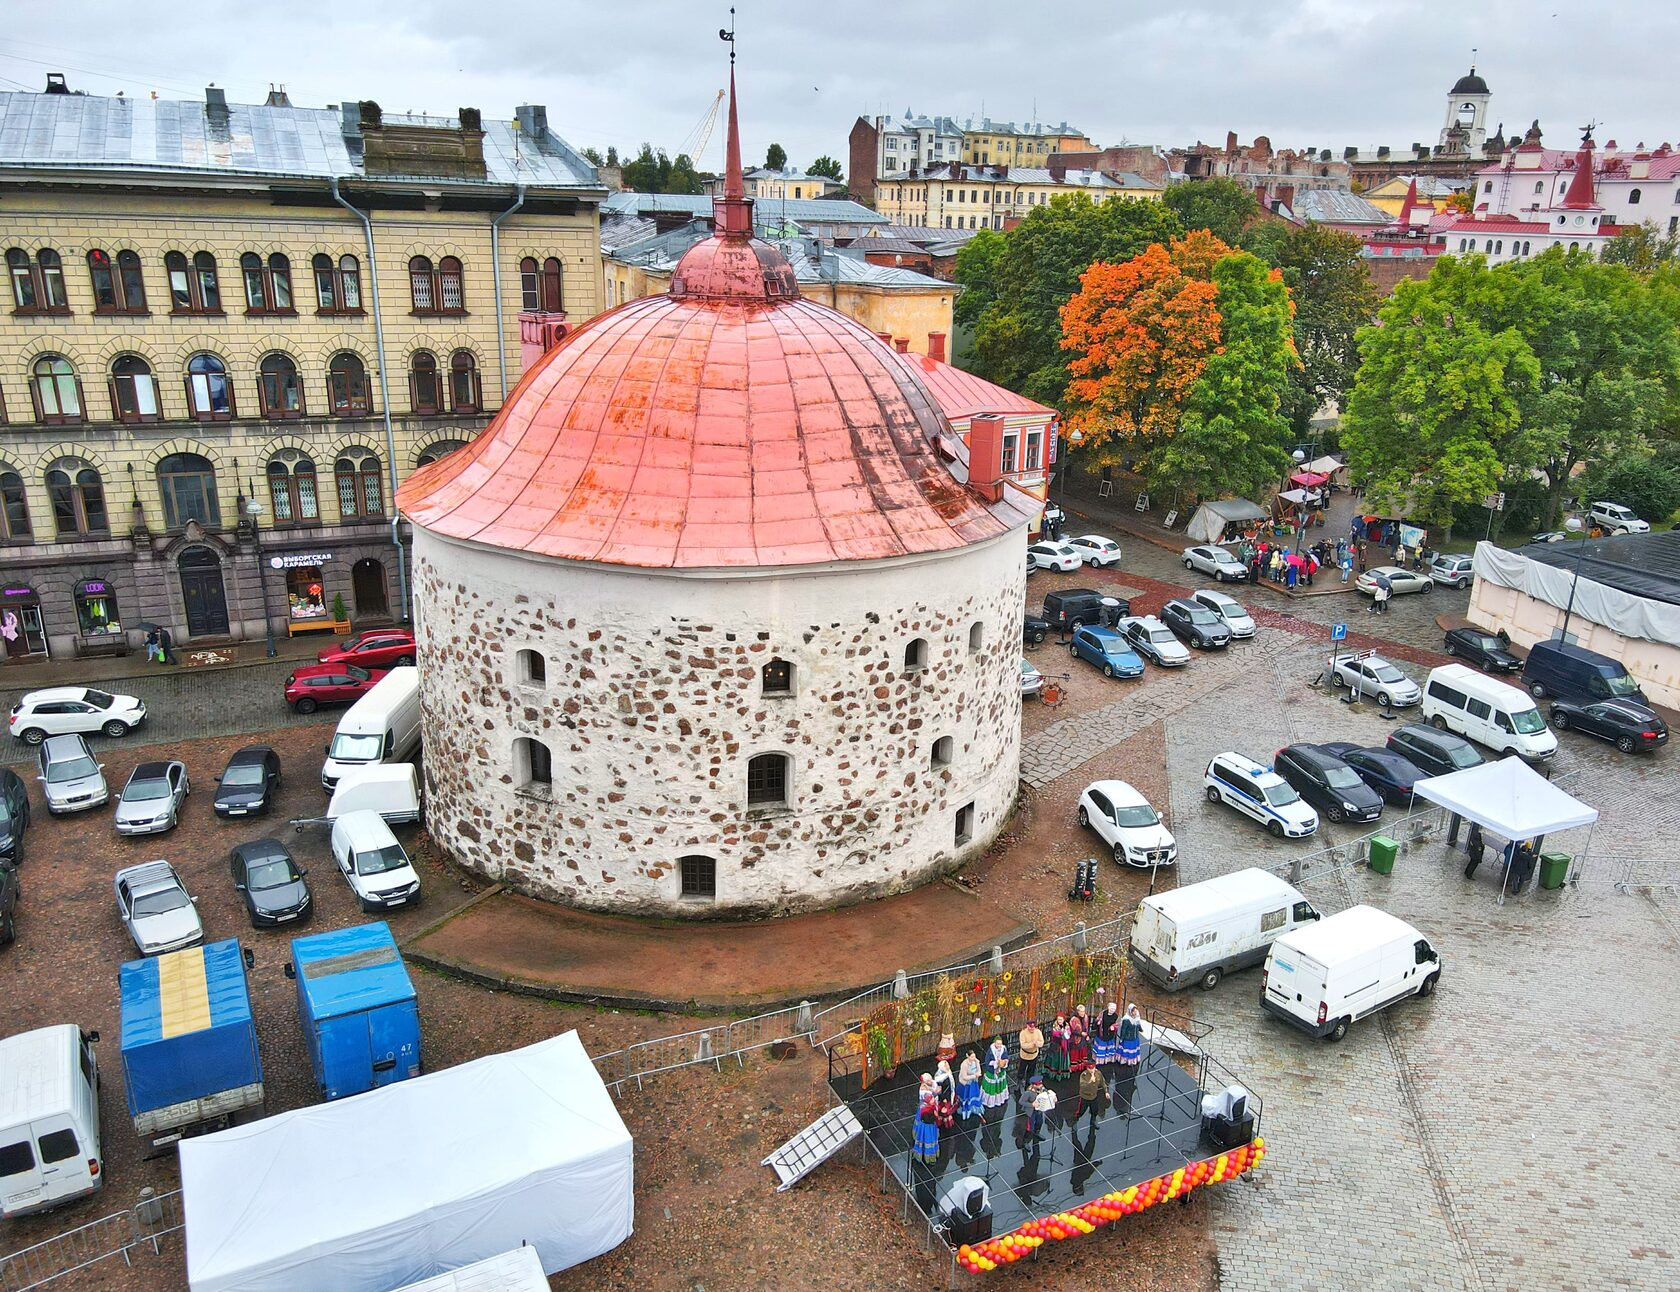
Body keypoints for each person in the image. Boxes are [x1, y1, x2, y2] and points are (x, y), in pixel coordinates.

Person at [913, 1074, 941, 1162]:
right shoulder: (924, 1094)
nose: (930, 1081)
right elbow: (931, 1100)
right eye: (928, 1080)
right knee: (928, 1138)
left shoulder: (929, 1087)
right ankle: (928, 1156)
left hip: (928, 1119)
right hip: (927, 1122)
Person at [1042, 1014, 1071, 1081]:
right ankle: (1053, 1072)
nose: (1059, 1021)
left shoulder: (1066, 1025)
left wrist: (1065, 1033)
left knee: (1064, 1058)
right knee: (1054, 1059)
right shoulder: (1055, 1026)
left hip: (1064, 1045)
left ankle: (1063, 1072)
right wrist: (1061, 1033)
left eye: (1061, 1019)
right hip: (1056, 1046)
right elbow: (1055, 1034)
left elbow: (1069, 1034)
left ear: (1063, 1019)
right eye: (1058, 1019)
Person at [956, 1050, 984, 1120]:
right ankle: (966, 1110)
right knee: (966, 1096)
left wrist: (977, 1070)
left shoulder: (976, 1061)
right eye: (972, 1057)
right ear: (967, 1056)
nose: (973, 1058)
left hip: (974, 1082)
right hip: (966, 1084)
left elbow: (979, 1070)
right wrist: (974, 1076)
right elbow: (964, 1077)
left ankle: (974, 1107)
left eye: (974, 1056)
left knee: (974, 1095)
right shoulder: (964, 1064)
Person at [1015, 1020, 1043, 1086]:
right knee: (1021, 1070)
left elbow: (1041, 1043)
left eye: (1033, 1027)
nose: (1032, 1029)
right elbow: (1023, 1045)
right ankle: (1018, 1083)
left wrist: (1037, 1043)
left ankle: (1028, 1082)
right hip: (1024, 1056)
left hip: (1034, 1055)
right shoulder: (1023, 1033)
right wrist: (1032, 1044)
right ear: (1027, 1026)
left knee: (1031, 1071)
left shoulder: (1038, 1032)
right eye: (1030, 1027)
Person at [1092, 1000, 1120, 1065]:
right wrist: (1098, 1022)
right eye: (1112, 1008)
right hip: (1102, 1033)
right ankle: (1100, 1060)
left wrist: (1113, 1027)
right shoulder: (1103, 1013)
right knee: (1101, 1046)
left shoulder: (1116, 1016)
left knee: (1109, 1047)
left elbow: (1117, 1024)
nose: (1113, 1010)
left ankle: (1108, 1059)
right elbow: (1097, 1020)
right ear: (1108, 1007)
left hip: (1110, 1034)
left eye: (1114, 1009)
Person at [1118, 1004, 1145, 1071]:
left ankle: (1132, 1060)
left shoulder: (1136, 1018)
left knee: (1134, 1049)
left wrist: (1140, 1029)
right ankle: (1125, 1060)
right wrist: (1122, 1038)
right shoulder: (1126, 1019)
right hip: (1128, 1038)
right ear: (1130, 1011)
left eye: (1136, 1011)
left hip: (1135, 1037)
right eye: (1133, 1011)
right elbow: (1123, 1029)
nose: (1135, 1013)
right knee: (1127, 1050)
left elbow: (1138, 1024)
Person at [1068, 1005, 1091, 1073]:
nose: (1082, 1013)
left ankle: (1082, 1065)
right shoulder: (1073, 1019)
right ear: (1078, 1011)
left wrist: (1087, 1035)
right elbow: (1072, 1031)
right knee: (1075, 1053)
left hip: (1083, 1039)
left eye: (1083, 1011)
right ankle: (1074, 1067)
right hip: (1075, 1039)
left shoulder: (1086, 1017)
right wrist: (1080, 1034)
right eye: (1081, 1011)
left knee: (1083, 1051)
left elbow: (1087, 1027)